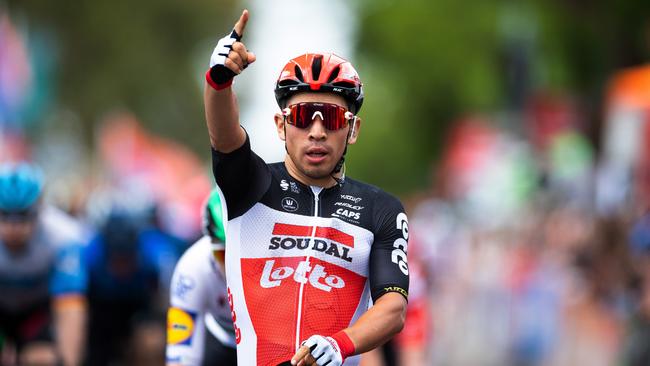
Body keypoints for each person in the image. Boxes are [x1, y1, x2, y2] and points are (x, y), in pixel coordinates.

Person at [203, 10, 410, 366]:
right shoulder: (249, 185)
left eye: (330, 119)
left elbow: (393, 309)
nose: (316, 132)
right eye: (302, 117)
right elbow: (224, 136)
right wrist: (219, 81)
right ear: (281, 126)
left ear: (353, 130)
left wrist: (340, 344)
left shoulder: (381, 209)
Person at [0, 162, 88, 366]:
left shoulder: (63, 236)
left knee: (43, 360)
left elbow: (71, 309)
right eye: (4, 216)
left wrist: (68, 361)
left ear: (39, 209)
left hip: (35, 314)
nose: (13, 227)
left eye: (23, 216)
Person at [166, 188, 237, 365]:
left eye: (239, 254)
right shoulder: (191, 267)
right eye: (223, 255)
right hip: (221, 341)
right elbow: (180, 353)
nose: (232, 265)